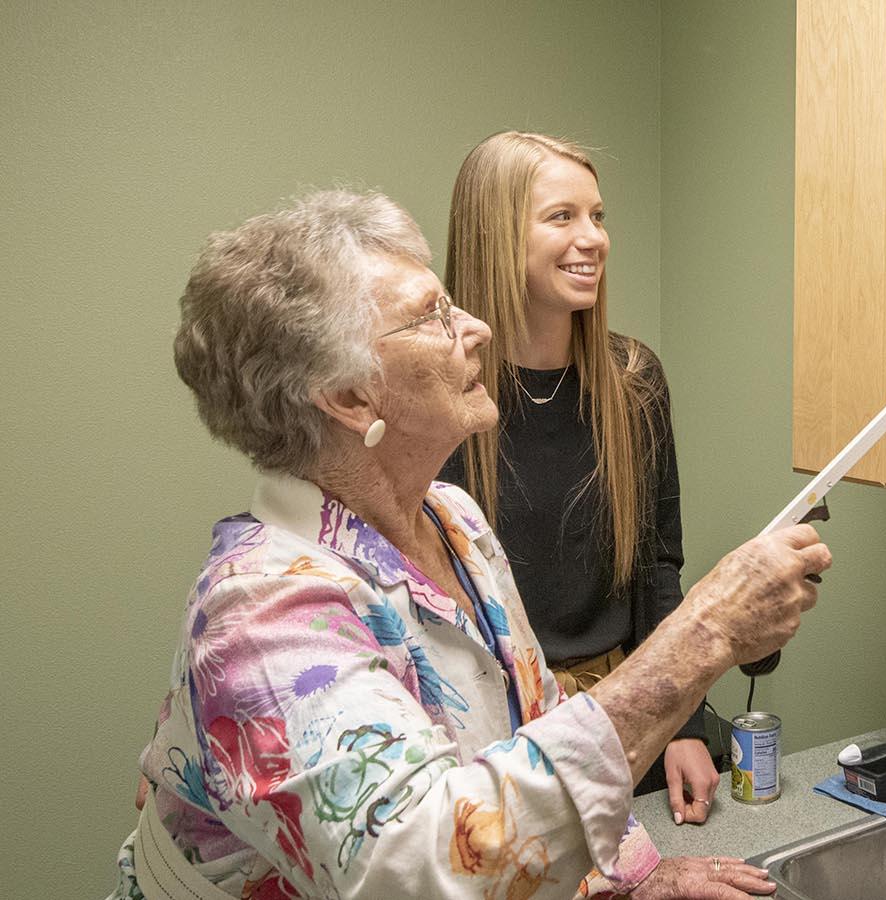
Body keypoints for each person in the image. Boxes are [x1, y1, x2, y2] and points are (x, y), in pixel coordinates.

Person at [111, 190, 829, 900]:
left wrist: (636, 875)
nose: (477, 328)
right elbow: (425, 872)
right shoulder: (262, 617)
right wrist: (705, 633)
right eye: (432, 316)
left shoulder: (453, 518)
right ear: (350, 397)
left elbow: (538, 718)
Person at [442, 131, 716, 825]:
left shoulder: (632, 383)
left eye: (598, 216)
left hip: (622, 720)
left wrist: (682, 723)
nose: (593, 238)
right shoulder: (442, 395)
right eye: (562, 217)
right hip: (485, 742)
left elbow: (657, 568)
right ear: (495, 234)